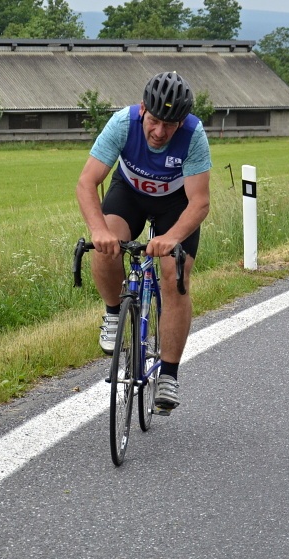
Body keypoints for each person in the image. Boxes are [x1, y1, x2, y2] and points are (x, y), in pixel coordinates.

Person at [76, 71, 211, 414]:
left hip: (175, 204)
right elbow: (87, 182)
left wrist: (172, 237)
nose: (160, 132)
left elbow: (199, 202)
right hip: (130, 194)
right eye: (154, 121)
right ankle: (113, 314)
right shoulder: (123, 123)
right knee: (106, 245)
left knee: (174, 276)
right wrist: (98, 230)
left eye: (170, 124)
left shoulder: (194, 135)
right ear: (142, 109)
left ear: (181, 122)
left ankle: (169, 374)